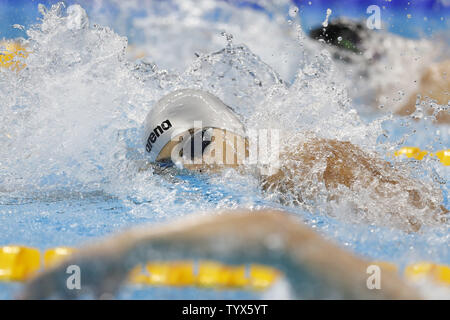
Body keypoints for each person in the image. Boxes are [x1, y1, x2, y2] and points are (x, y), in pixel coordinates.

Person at [144, 89, 448, 232]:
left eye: (198, 144)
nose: (192, 167)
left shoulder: (295, 160)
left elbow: (428, 220)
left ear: (232, 127)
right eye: (170, 166)